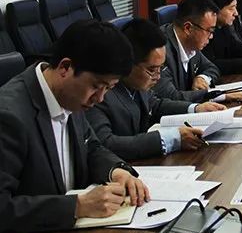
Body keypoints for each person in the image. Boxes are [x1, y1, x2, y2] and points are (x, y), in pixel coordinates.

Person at [0, 20, 149, 233]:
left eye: (109, 89)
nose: (100, 98)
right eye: (97, 86)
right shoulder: (9, 116)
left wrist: (116, 171)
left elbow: (91, 147)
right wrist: (78, 206)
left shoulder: (71, 95)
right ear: (65, 67)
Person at [86, 19, 227, 160]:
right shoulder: (99, 93)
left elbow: (155, 105)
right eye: (152, 70)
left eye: (161, 68)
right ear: (128, 63)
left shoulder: (137, 83)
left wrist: (196, 109)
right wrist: (170, 139)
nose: (158, 76)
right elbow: (105, 144)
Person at [153, 0, 242, 103]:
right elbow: (170, 97)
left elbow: (212, 67)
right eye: (209, 31)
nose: (211, 36)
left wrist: (202, 78)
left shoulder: (191, 44)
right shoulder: (159, 51)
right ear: (188, 28)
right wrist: (221, 96)